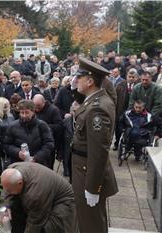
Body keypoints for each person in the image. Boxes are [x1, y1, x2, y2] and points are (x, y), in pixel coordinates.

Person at [72, 56, 118, 233]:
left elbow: (99, 152)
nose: (76, 80)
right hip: (83, 168)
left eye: (79, 78)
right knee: (86, 218)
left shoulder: (97, 108)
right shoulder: (96, 98)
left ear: (90, 81)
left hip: (87, 172)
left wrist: (93, 187)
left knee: (91, 222)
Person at [0, 162, 76, 233]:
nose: (7, 192)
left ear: (19, 183)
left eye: (9, 190)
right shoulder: (12, 169)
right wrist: (5, 206)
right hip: (43, 195)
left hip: (63, 201)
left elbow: (35, 223)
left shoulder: (35, 194)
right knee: (15, 209)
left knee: (46, 228)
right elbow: (6, 190)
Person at [4, 100, 54, 167]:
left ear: (33, 112)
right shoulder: (12, 126)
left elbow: (49, 144)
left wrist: (36, 157)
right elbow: (7, 145)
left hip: (39, 164)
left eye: (27, 113)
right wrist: (18, 153)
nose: (24, 115)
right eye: (22, 113)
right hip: (19, 164)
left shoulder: (42, 125)